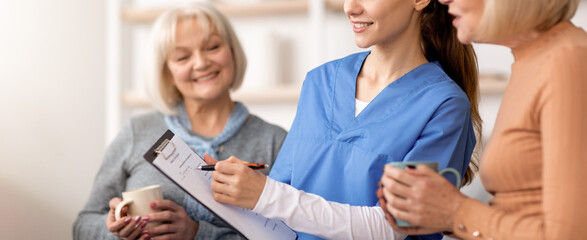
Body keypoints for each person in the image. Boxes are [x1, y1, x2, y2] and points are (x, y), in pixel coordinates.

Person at [203, 0, 482, 239]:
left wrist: (267, 195)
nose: (350, 7)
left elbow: (393, 227)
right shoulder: (320, 82)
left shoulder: (444, 105)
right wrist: (236, 190)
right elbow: (276, 211)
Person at [72, 3, 287, 240]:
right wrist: (116, 232)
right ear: (167, 73)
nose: (201, 63)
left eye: (213, 47)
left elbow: (292, 236)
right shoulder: (137, 132)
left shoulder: (275, 141)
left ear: (233, 52)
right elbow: (83, 226)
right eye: (183, 57)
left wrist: (197, 233)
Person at [379, 0, 587, 239]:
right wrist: (435, 212)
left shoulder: (568, 61)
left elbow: (569, 234)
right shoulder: (533, 61)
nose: (444, 0)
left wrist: (455, 211)